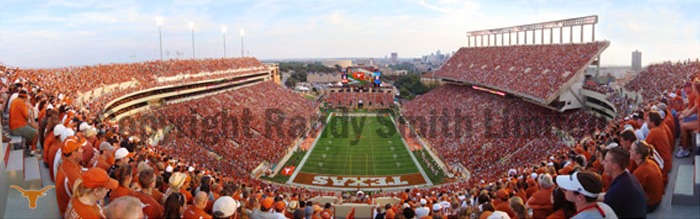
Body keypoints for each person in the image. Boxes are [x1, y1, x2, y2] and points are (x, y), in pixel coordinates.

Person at [603, 147, 646, 218]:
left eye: (606, 161)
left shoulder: (616, 191)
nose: (603, 163)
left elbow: (605, 214)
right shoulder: (628, 177)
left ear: (615, 166)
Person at [630, 140, 664, 213]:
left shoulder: (639, 172)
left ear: (638, 155)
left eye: (632, 150)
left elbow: (633, 194)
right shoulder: (651, 162)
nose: (629, 151)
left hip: (650, 205)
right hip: (658, 199)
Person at [56, 136, 87, 215]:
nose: (83, 150)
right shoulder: (72, 175)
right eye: (80, 148)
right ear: (73, 154)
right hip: (69, 213)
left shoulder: (68, 163)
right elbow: (85, 199)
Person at [9, 89, 38, 156]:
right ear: (25, 97)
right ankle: (33, 151)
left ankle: (29, 147)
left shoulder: (15, 101)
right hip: (17, 127)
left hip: (15, 126)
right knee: (35, 133)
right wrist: (33, 125)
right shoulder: (21, 103)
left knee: (32, 129)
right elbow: (27, 117)